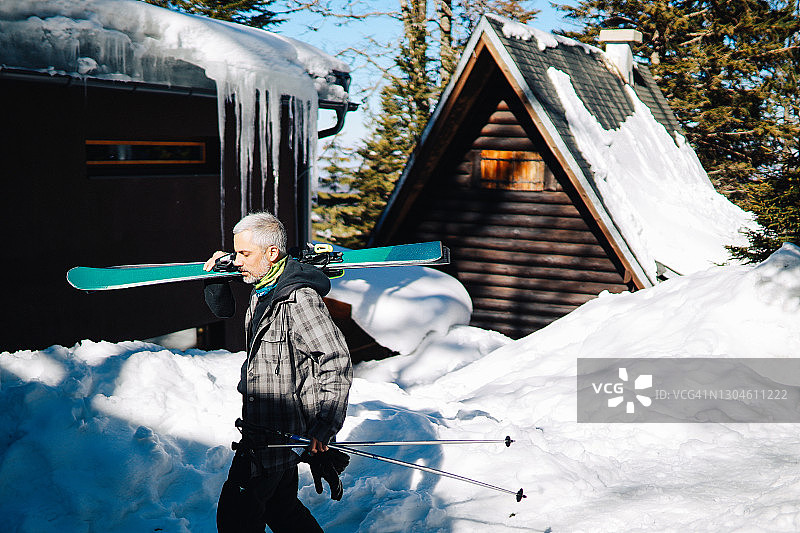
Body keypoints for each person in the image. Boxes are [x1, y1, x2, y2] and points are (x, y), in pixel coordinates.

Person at [203, 211, 352, 533]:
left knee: (236, 519)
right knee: (280, 508)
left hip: (278, 433)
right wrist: (220, 272)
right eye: (237, 252)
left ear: (272, 253)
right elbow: (223, 310)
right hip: (264, 427)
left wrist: (324, 426)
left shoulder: (298, 299)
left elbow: (336, 361)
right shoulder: (265, 288)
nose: (239, 261)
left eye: (245, 254)